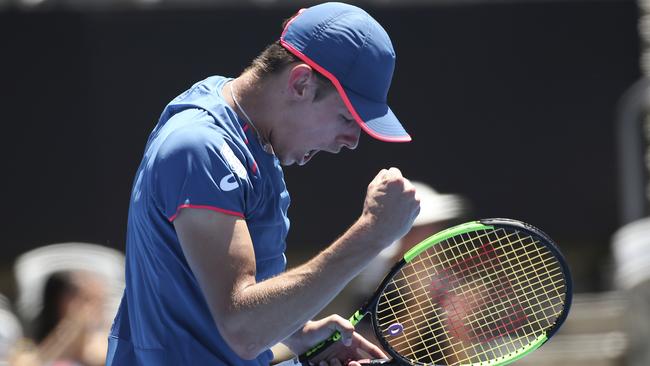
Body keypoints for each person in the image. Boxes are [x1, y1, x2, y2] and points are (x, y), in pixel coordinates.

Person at [106, 3, 420, 366]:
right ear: (301, 83)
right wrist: (373, 235)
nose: (351, 140)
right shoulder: (200, 147)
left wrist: (299, 333)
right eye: (346, 117)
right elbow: (242, 329)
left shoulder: (248, 133)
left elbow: (201, 291)